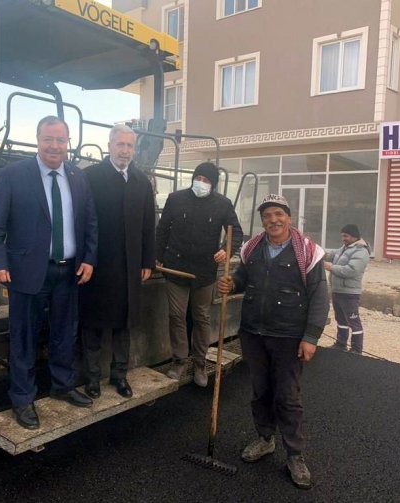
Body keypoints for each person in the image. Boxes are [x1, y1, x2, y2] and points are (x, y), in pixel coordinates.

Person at [0, 116, 98, 430]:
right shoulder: (13, 175)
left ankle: (62, 385)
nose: (54, 146)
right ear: (37, 140)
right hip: (26, 272)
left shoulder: (77, 176)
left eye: (60, 140)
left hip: (69, 271)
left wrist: (89, 259)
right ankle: (22, 399)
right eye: (48, 139)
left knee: (65, 333)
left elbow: (90, 222)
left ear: (68, 142)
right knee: (24, 338)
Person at [217, 194, 328, 490]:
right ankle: (265, 439)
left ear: (289, 217)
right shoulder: (252, 248)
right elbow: (242, 278)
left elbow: (319, 296)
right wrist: (232, 283)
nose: (273, 220)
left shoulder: (308, 252)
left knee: (287, 396)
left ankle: (294, 454)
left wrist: (311, 336)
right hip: (254, 333)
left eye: (278, 214)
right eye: (267, 216)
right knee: (261, 391)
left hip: (288, 336)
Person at [79, 124, 156, 399]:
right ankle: (92, 378)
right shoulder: (90, 177)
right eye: (120, 144)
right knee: (93, 324)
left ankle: (119, 376)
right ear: (109, 145)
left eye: (129, 146)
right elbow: (81, 221)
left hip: (129, 265)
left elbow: (148, 224)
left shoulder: (141, 181)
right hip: (97, 264)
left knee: (124, 324)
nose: (125, 150)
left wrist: (147, 260)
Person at [155, 162, 243, 387]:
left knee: (202, 317)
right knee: (176, 316)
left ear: (213, 184)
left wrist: (226, 249)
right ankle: (179, 361)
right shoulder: (176, 199)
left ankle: (200, 363)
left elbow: (236, 232)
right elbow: (162, 229)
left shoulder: (222, 204)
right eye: (199, 178)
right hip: (176, 267)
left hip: (204, 271)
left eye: (206, 180)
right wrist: (157, 256)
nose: (201, 183)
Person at [324, 224, 371, 353]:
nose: (343, 238)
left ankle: (356, 349)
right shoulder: (344, 248)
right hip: (338, 291)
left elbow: (351, 270)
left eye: (346, 236)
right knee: (341, 319)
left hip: (349, 293)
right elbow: (331, 255)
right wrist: (317, 252)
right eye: (342, 236)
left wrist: (331, 267)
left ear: (354, 236)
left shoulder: (361, 251)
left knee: (353, 321)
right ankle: (341, 344)